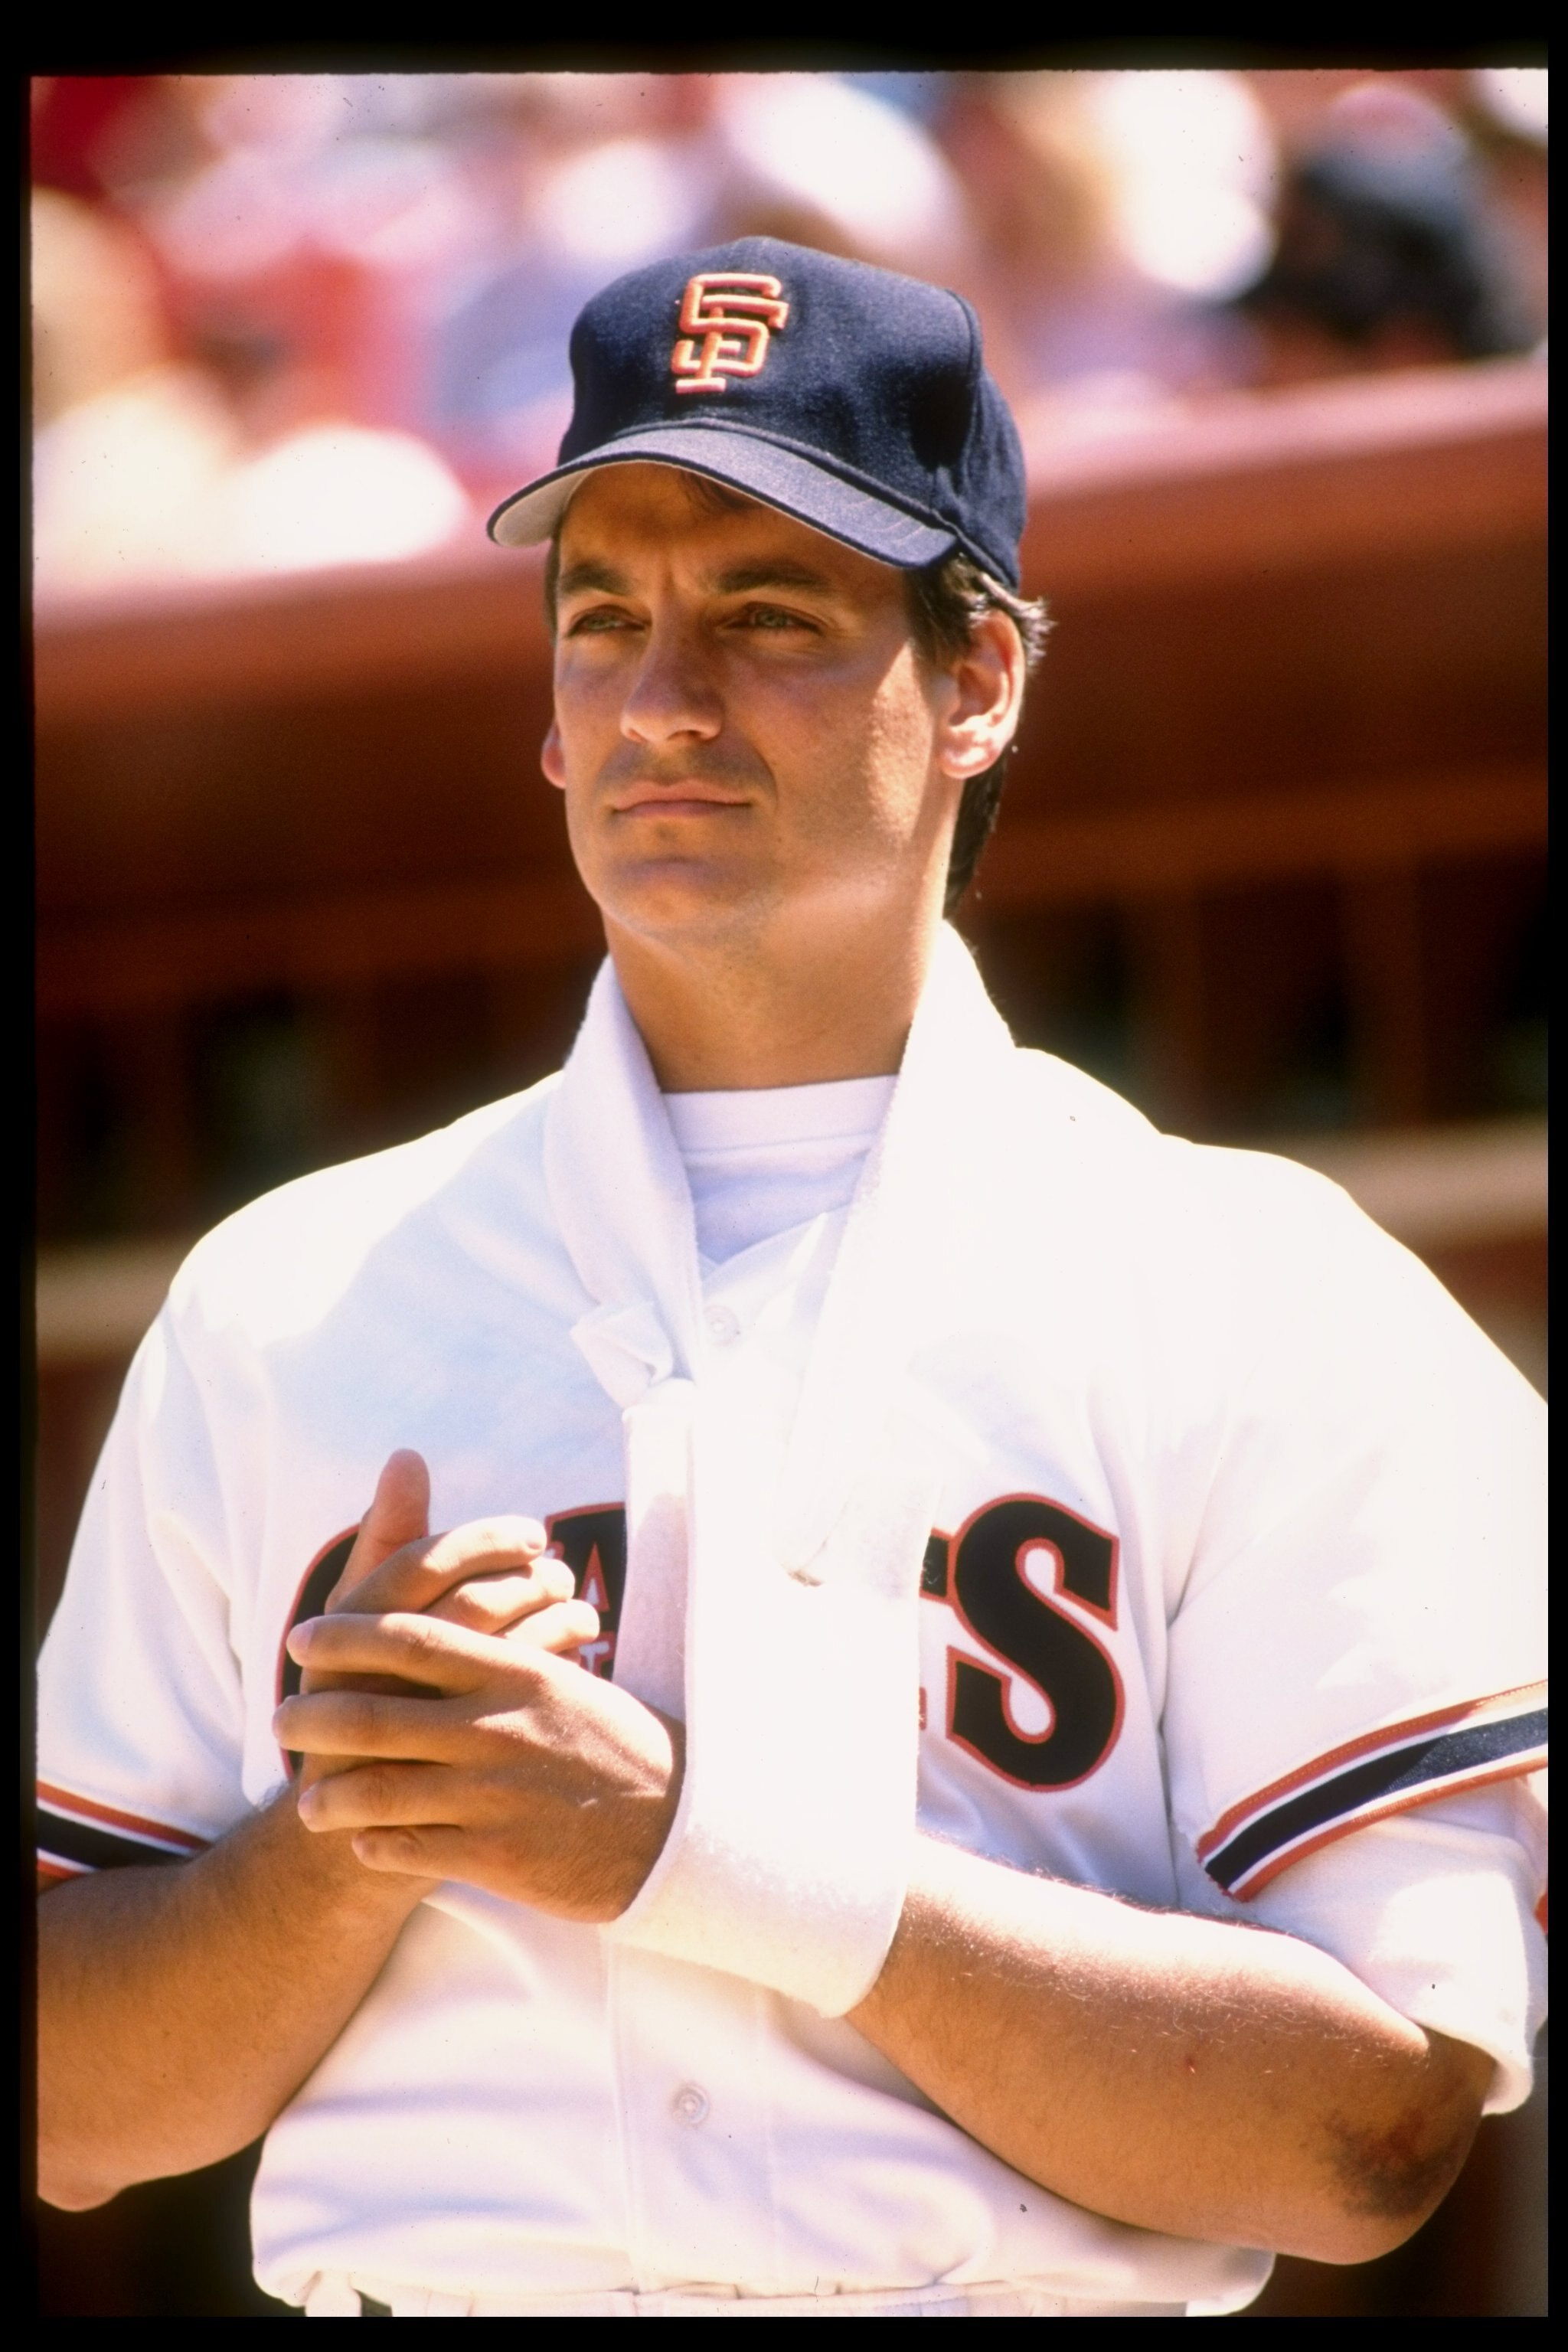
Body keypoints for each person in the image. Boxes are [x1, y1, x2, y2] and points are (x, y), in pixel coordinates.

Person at [38, 237, 1546, 2321]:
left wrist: (685, 1851)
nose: (664, 701)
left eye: (769, 614)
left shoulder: (1259, 1286)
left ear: (986, 675)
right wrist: (351, 1830)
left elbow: (1366, 2137)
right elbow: (70, 2109)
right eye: (602, 622)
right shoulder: (285, 1297)